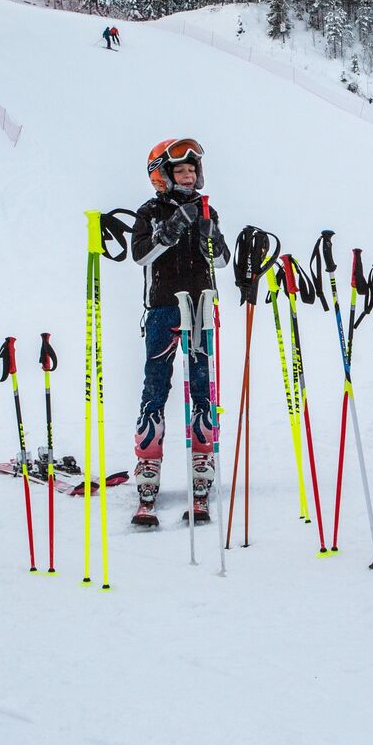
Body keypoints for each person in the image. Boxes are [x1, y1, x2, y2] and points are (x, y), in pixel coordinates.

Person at [129, 139, 229, 527]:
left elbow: (220, 261)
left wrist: (210, 234)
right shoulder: (149, 211)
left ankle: (202, 471)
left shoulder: (208, 208)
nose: (189, 176)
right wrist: (169, 229)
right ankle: (148, 475)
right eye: (181, 171)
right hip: (164, 309)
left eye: (192, 170)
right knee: (155, 388)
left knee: (203, 389)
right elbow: (139, 255)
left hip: (201, 308)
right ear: (162, 176)